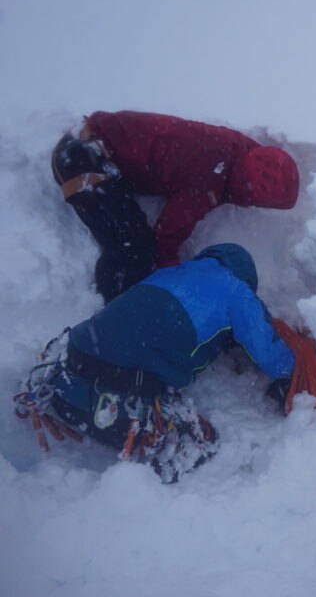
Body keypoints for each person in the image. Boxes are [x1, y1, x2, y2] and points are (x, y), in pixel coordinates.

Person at [42, 243, 295, 481]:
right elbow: (269, 352)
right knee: (203, 442)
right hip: (117, 396)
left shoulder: (171, 273)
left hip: (65, 373)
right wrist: (293, 369)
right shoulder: (237, 291)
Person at [51, 110, 300, 303]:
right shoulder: (209, 177)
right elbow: (169, 232)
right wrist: (172, 277)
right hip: (80, 157)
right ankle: (116, 319)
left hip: (92, 143)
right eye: (257, 200)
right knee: (132, 247)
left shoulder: (238, 151)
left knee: (135, 241)